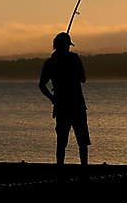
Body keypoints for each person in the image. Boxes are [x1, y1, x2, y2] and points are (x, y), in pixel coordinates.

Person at [38, 32, 90, 165]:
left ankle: (60, 170)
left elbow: (42, 85)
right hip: (77, 105)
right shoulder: (74, 58)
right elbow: (83, 79)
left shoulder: (50, 62)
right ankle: (84, 171)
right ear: (66, 45)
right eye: (67, 45)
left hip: (61, 106)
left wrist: (52, 99)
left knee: (61, 142)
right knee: (82, 142)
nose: (69, 48)